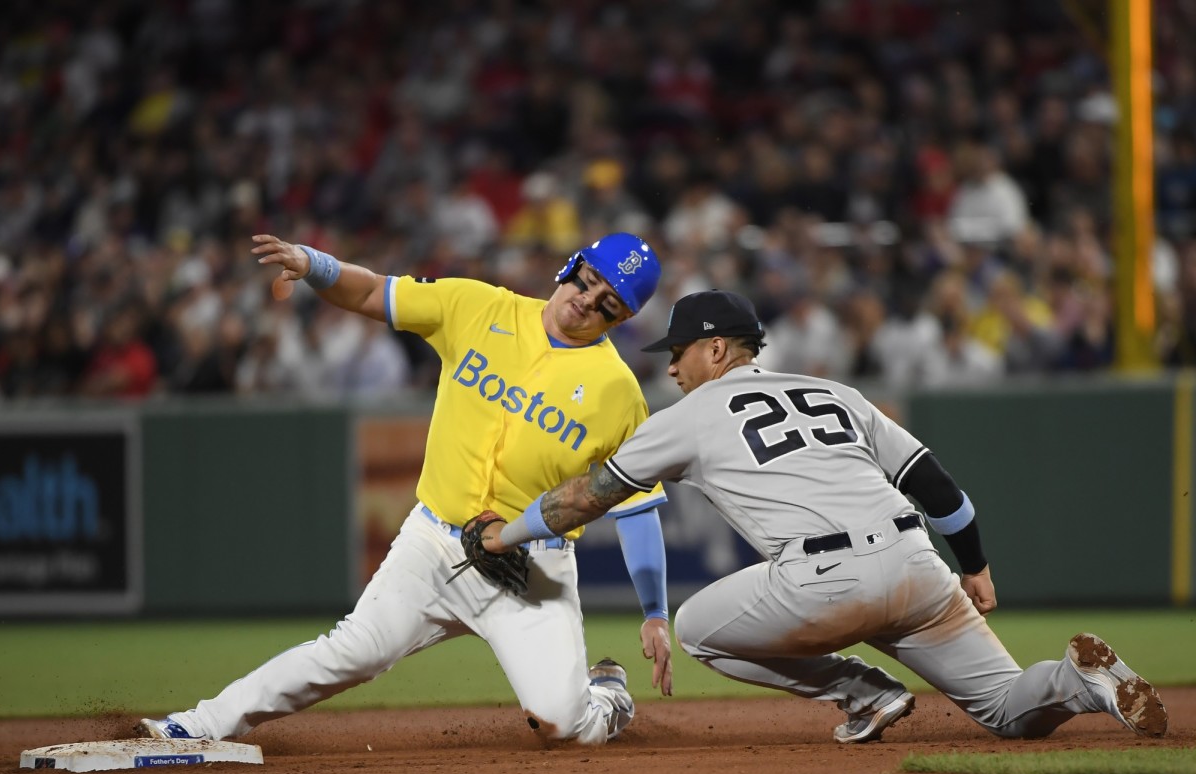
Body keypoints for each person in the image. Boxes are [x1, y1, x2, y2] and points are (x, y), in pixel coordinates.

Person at [477, 289, 1169, 743]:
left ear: (717, 349)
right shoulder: (836, 392)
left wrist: (503, 533)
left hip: (825, 576)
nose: (673, 370)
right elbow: (941, 488)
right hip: (919, 564)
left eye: (681, 353)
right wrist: (977, 570)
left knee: (696, 629)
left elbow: (588, 495)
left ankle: (862, 692)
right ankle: (1082, 681)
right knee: (1010, 711)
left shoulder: (690, 413)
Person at [137, 231, 675, 745]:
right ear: (572, 267)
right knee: (352, 651)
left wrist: (654, 612)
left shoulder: (619, 393)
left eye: (609, 303)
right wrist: (314, 264)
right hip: (435, 541)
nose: (588, 301)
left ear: (623, 318)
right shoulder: (478, 306)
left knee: (565, 725)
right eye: (588, 281)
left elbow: (636, 506)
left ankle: (606, 698)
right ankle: (200, 722)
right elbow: (373, 290)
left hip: (530, 566)